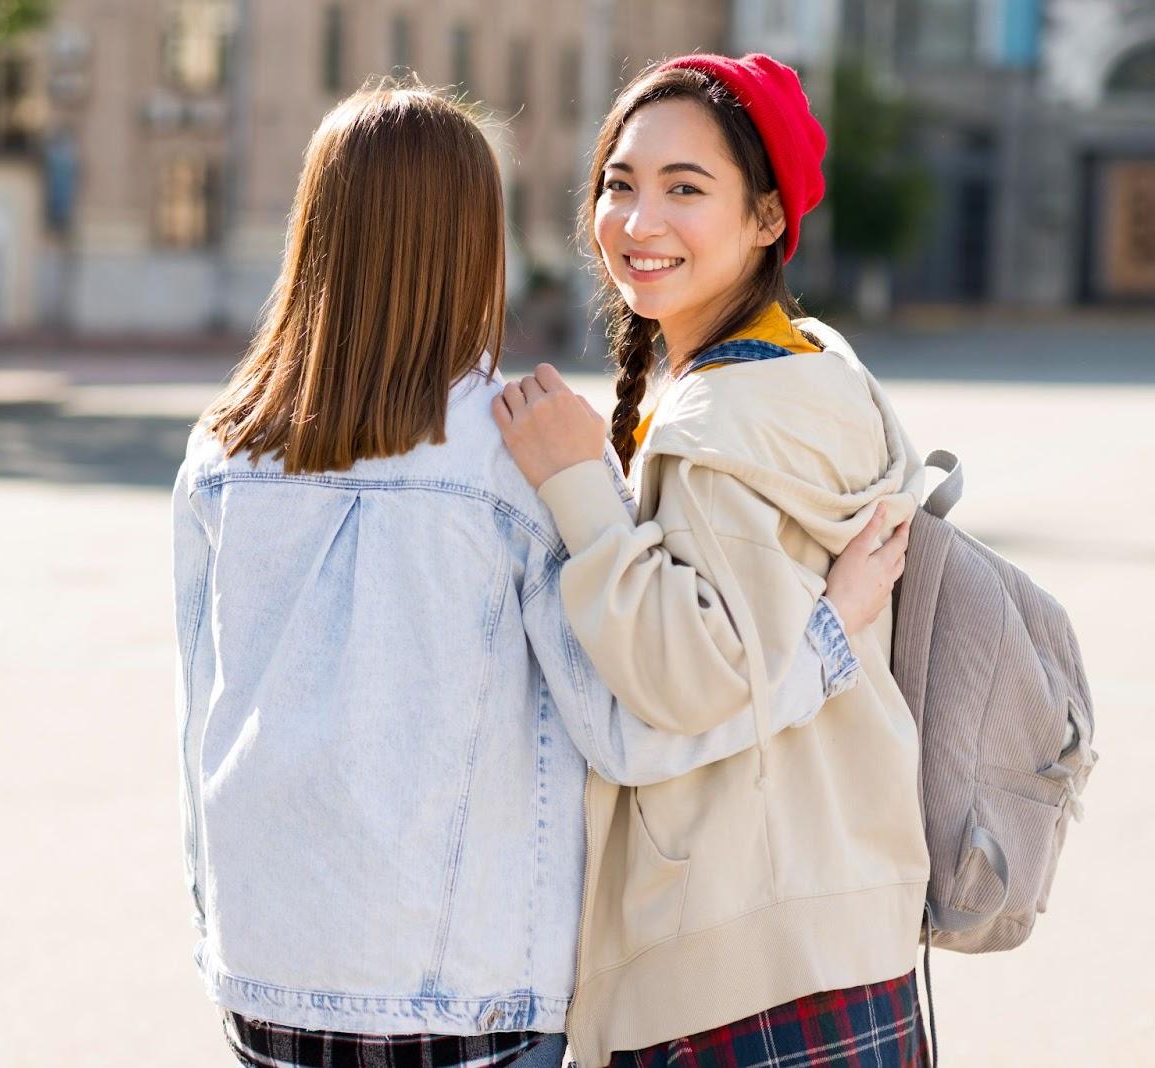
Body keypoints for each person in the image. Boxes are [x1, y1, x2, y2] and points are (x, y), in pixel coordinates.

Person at [170, 81, 907, 1068]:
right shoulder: (519, 453)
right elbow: (633, 731)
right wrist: (824, 639)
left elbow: (198, 715)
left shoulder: (221, 449)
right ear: (479, 242)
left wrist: (220, 925)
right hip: (465, 992)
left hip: (264, 974)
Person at [494, 54, 931, 1067]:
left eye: (685, 190)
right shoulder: (809, 365)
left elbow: (689, 677)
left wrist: (575, 487)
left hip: (732, 970)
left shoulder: (724, 421)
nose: (638, 222)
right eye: (619, 183)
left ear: (769, 219)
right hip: (834, 932)